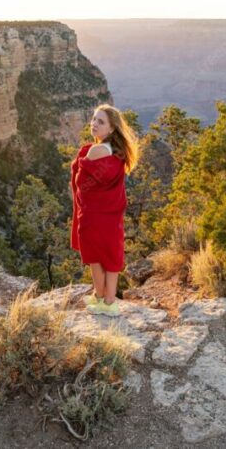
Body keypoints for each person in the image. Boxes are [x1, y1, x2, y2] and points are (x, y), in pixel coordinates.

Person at [70, 104, 140, 317]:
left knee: (95, 258)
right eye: (93, 119)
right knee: (111, 256)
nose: (94, 124)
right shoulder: (117, 152)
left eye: (100, 121)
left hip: (93, 215)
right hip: (111, 215)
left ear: (111, 129)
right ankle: (111, 302)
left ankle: (100, 298)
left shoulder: (96, 150)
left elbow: (82, 182)